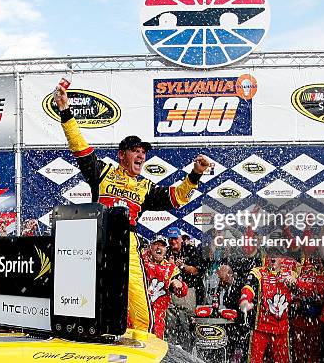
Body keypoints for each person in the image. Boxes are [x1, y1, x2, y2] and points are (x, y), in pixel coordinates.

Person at [54, 82, 209, 334]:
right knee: (91, 307)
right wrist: (65, 110)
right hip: (97, 243)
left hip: (129, 245)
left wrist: (195, 174)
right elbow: (79, 147)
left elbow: (177, 198)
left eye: (143, 153)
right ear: (121, 155)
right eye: (135, 151)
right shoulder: (102, 171)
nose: (141, 156)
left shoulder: (145, 187)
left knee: (141, 313)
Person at [239, 252, 297, 363]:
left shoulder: (291, 274)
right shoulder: (258, 272)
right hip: (260, 328)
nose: (273, 257)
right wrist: (244, 300)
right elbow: (248, 287)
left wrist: (295, 283)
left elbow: (302, 290)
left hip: (282, 331)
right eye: (270, 254)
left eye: (276, 254)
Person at [164, 226, 204, 350]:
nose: (173, 241)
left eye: (175, 238)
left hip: (188, 293)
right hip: (170, 293)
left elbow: (197, 271)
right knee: (170, 326)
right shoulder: (166, 252)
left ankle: (187, 353)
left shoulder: (190, 249)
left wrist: (181, 266)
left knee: (186, 325)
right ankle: (171, 352)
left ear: (181, 238)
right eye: (170, 239)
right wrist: (170, 266)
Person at [141, 235, 187, 339]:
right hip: (138, 313)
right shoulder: (140, 262)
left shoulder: (170, 268)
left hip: (158, 317)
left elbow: (181, 293)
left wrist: (179, 285)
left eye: (162, 245)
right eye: (156, 244)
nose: (158, 248)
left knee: (155, 346)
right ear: (150, 247)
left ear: (166, 249)